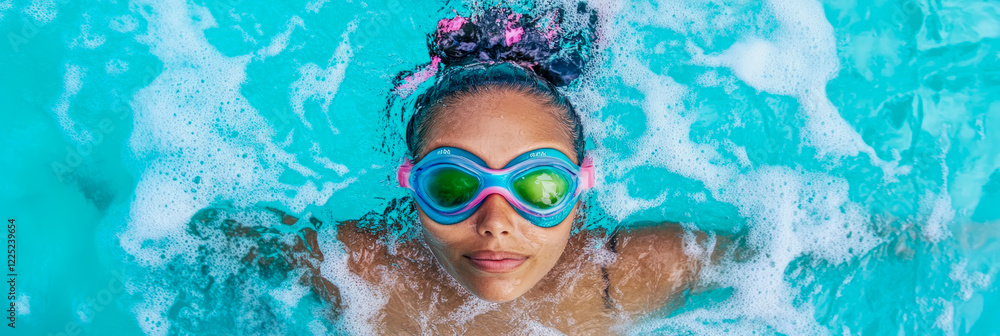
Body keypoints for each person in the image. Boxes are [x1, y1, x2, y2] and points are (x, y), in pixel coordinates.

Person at [217, 6, 724, 334]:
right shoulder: (355, 270)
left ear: (580, 192)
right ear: (412, 186)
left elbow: (792, 253)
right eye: (453, 184)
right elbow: (217, 238)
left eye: (539, 186)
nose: (496, 222)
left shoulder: (626, 275)